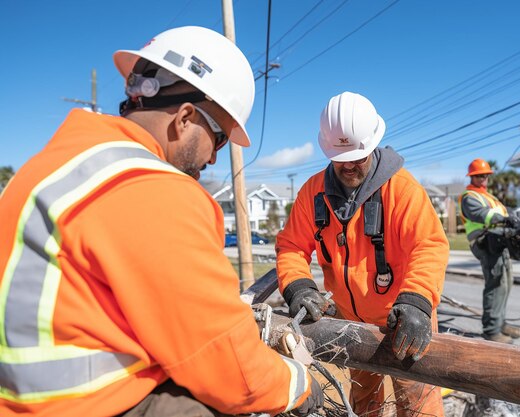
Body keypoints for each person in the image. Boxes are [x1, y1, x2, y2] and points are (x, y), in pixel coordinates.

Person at [0, 26, 322, 417]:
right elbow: (227, 364)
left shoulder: (49, 167)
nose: (215, 158)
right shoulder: (148, 187)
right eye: (219, 138)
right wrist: (298, 384)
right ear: (185, 117)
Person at [276, 91, 449, 417]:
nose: (350, 166)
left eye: (358, 156)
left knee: (418, 406)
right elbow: (291, 247)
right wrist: (299, 286)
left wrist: (417, 301)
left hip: (404, 321)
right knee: (362, 402)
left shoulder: (401, 190)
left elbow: (429, 246)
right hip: (350, 324)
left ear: (372, 145)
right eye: (341, 159)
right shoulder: (313, 193)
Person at [458, 159, 520, 344]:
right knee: (495, 284)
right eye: (479, 176)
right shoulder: (469, 196)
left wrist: (514, 216)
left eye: (486, 175)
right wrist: (503, 218)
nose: (484, 178)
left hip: (498, 241)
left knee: (505, 282)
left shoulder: (488, 196)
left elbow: (504, 213)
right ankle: (491, 330)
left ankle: (500, 323)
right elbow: (481, 214)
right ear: (472, 177)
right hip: (484, 242)